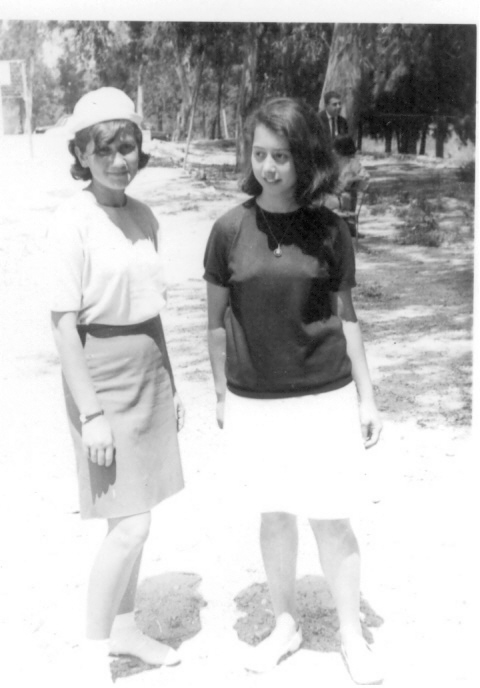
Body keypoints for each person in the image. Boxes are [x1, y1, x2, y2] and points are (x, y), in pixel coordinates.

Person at [204, 98, 383, 685]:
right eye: (259, 154)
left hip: (323, 397)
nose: (269, 167)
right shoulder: (228, 230)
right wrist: (221, 393)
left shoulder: (330, 229)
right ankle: (286, 624)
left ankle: (351, 632)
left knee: (331, 518)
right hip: (254, 400)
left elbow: (347, 316)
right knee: (276, 514)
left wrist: (366, 396)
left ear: (304, 158)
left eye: (281, 156)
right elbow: (214, 322)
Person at [47, 87, 185, 685]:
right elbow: (62, 324)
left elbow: (151, 308)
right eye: (102, 149)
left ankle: (125, 629)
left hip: (148, 369)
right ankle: (91, 652)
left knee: (137, 512)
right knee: (130, 524)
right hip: (100, 377)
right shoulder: (71, 221)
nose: (117, 160)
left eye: (126, 147)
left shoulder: (144, 216)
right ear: (82, 154)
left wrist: (172, 383)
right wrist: (91, 413)